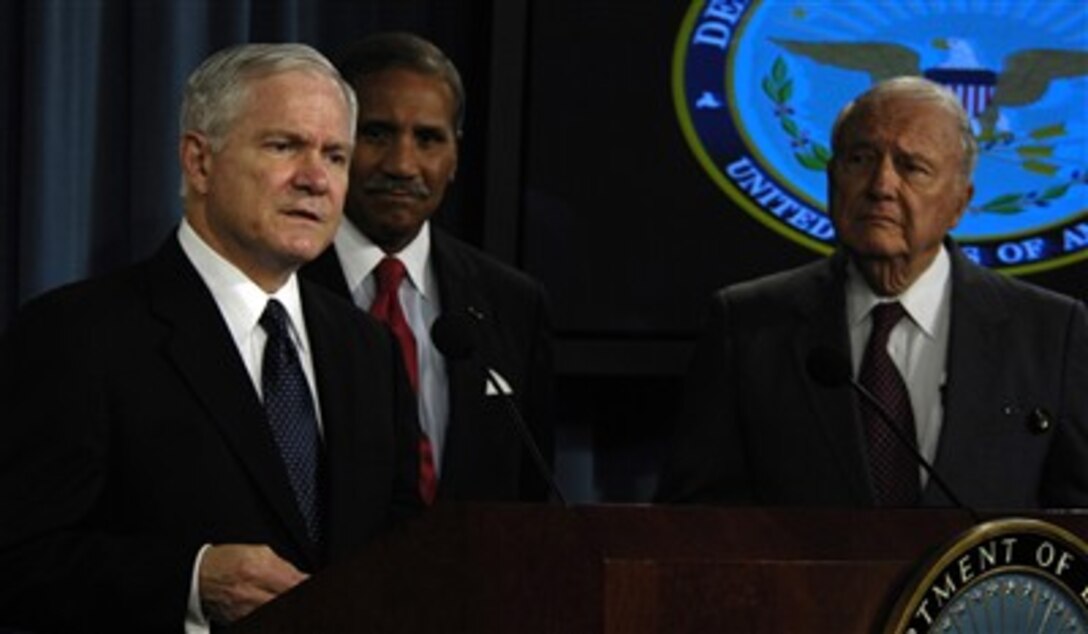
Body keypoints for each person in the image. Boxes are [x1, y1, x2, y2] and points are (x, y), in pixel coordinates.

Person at [0, 43, 421, 632]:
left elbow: (403, 551)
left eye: (335, 156)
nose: (315, 180)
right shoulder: (79, 334)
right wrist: (190, 581)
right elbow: (18, 559)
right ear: (199, 162)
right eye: (284, 146)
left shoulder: (367, 348)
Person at [656, 76, 1088, 509]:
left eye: (912, 167)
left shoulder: (1051, 333)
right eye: (860, 159)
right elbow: (693, 522)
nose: (881, 185)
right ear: (831, 180)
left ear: (960, 202)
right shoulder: (747, 325)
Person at [302, 32, 555, 503]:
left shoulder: (513, 303)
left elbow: (532, 503)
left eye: (428, 139)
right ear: (334, 146)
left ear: (455, 155)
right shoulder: (281, 286)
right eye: (376, 134)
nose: (402, 164)